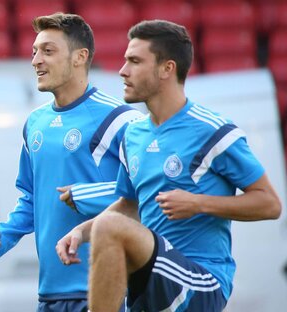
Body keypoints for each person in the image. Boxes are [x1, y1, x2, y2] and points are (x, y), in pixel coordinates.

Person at [56, 20, 282, 312]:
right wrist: (82, 232)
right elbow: (130, 205)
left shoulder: (212, 131)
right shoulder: (133, 135)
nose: (123, 71)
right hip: (152, 278)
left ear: (167, 69)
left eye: (135, 61)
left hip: (201, 279)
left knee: (110, 227)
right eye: (125, 61)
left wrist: (198, 203)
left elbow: (269, 204)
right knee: (107, 227)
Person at [0, 13, 143, 311]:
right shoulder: (35, 123)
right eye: (34, 52)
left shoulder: (121, 120)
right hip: (50, 292)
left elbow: (146, 198)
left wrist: (85, 195)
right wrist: (5, 234)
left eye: (48, 51)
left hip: (105, 291)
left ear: (80, 57)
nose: (36, 60)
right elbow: (31, 197)